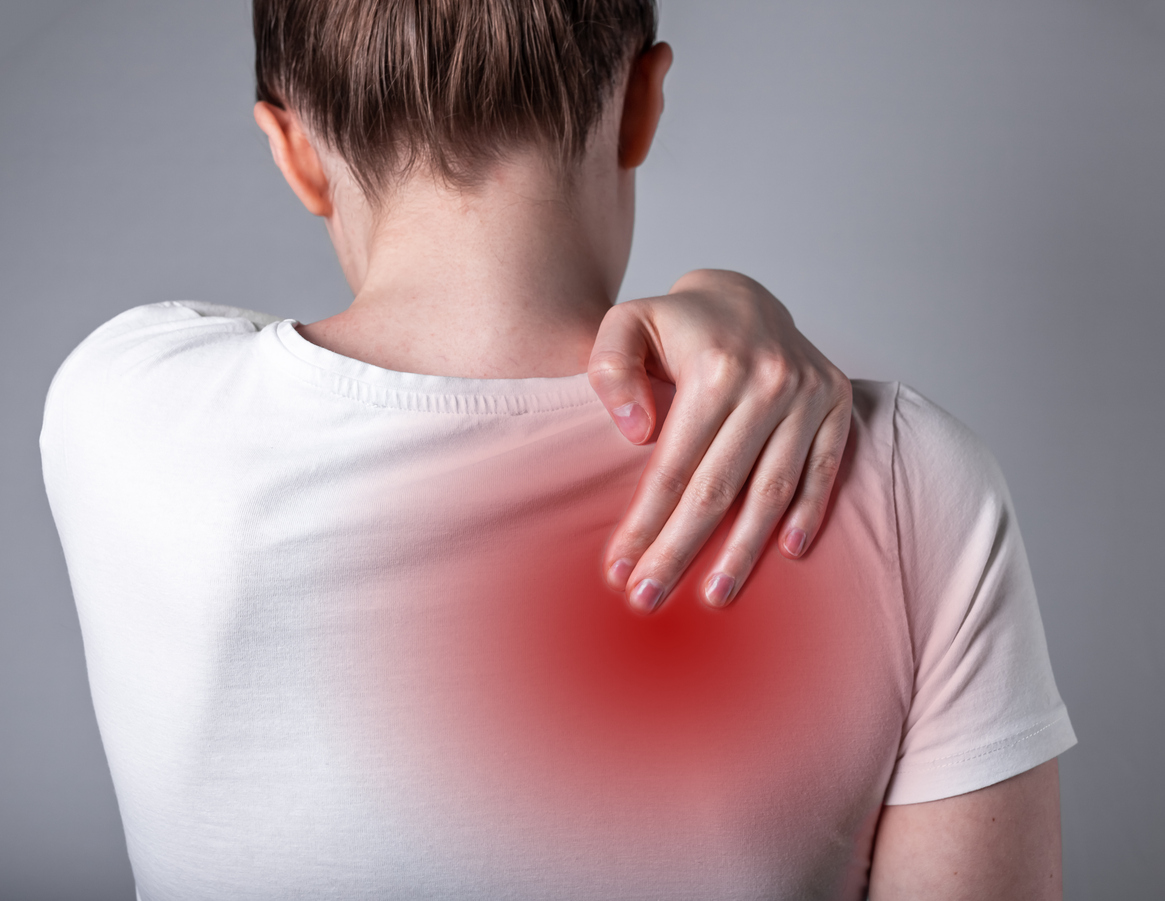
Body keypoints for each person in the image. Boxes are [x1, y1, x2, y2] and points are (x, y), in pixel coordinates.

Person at [39, 1, 1076, 898]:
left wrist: (721, 300)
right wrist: (731, 289)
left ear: (293, 149)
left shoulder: (121, 406)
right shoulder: (899, 477)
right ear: (642, 103)